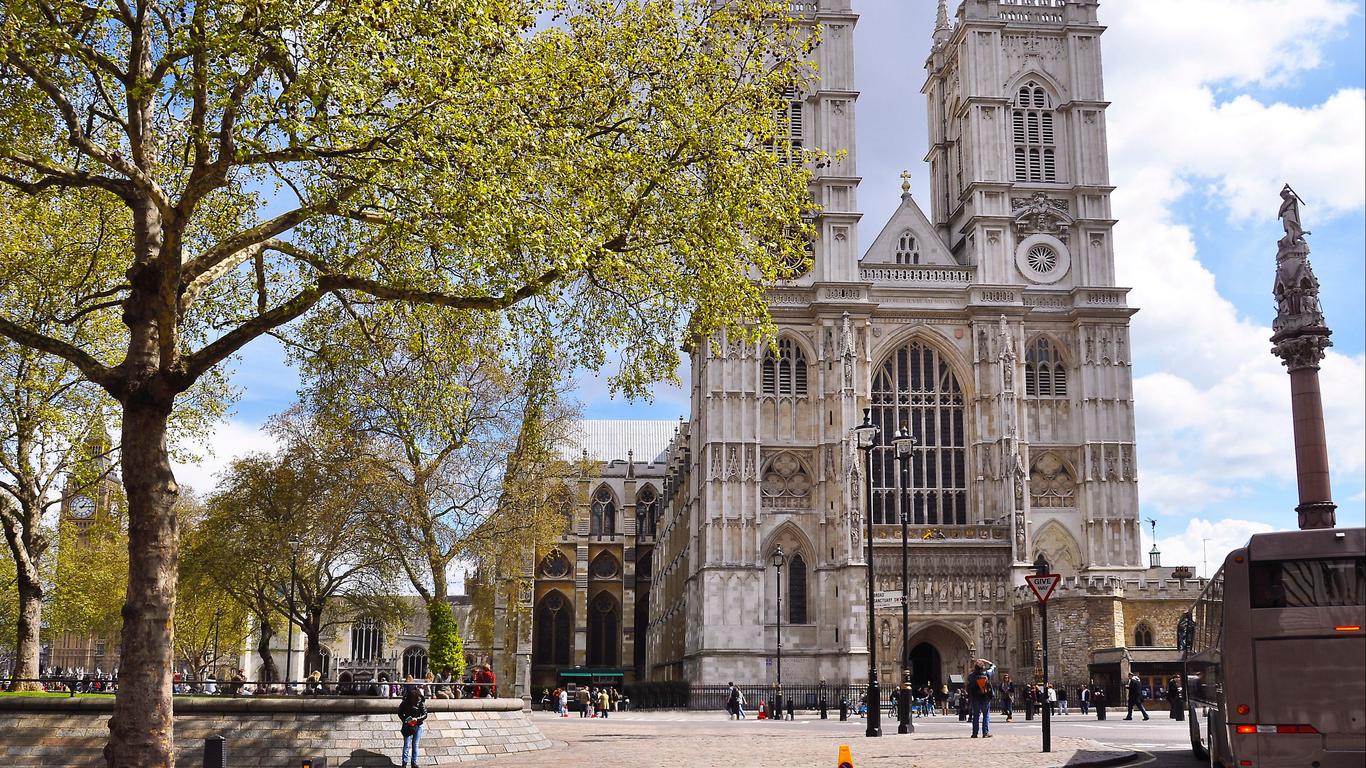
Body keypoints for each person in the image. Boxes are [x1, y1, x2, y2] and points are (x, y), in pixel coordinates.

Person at [398, 685, 428, 768]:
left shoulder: (421, 702)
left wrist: (417, 719)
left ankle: (413, 763)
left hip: (418, 725)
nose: (415, 700)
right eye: (413, 699)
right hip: (408, 725)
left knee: (415, 744)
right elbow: (400, 712)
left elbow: (425, 714)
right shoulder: (405, 702)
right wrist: (406, 720)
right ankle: (404, 763)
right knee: (406, 745)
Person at [967, 658, 996, 737]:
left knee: (976, 715)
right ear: (983, 667)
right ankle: (985, 732)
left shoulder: (971, 676)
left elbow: (969, 686)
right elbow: (993, 666)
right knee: (986, 715)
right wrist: (986, 661)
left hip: (976, 698)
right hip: (985, 697)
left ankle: (974, 733)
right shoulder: (987, 673)